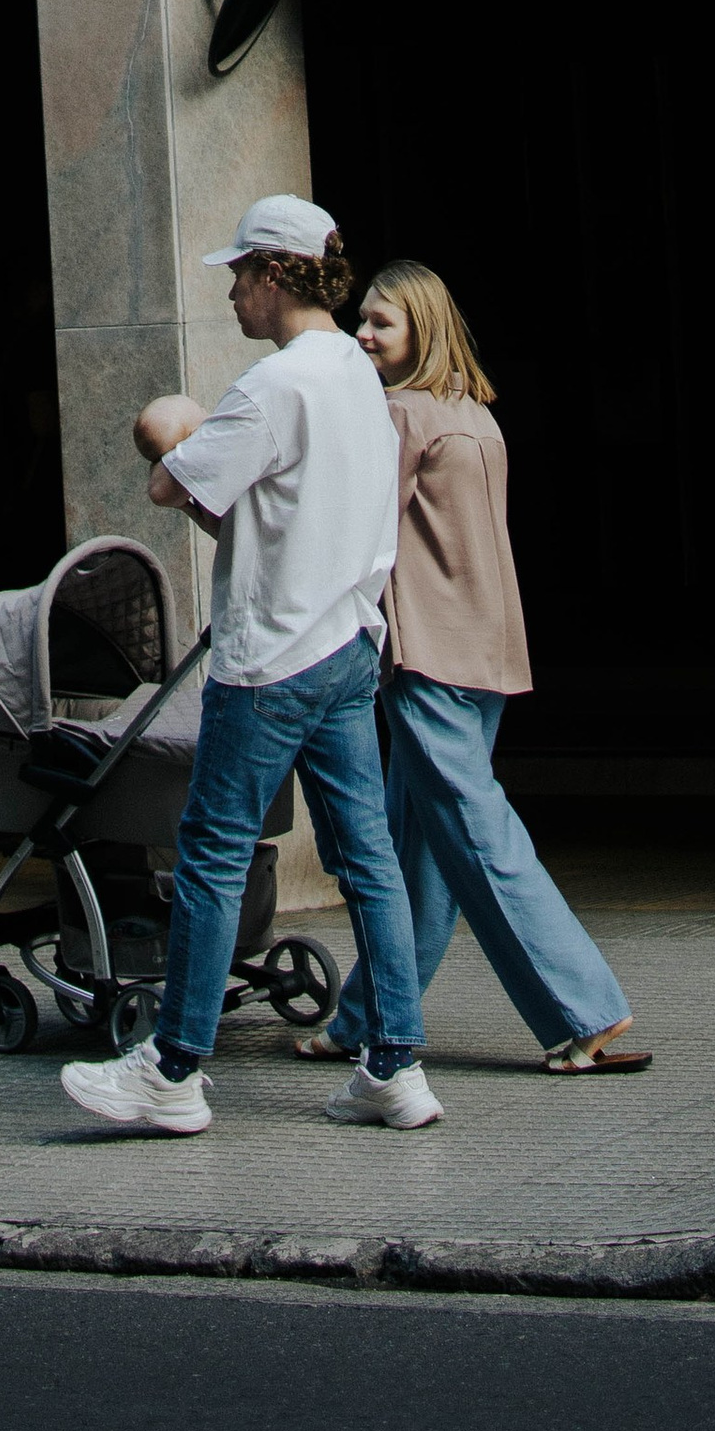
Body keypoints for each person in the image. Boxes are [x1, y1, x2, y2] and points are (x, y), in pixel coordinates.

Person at [59, 193, 440, 1138]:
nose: (231, 294)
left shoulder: (274, 388)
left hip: (272, 656)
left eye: (238, 275)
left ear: (275, 274)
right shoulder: (355, 372)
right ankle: (396, 1069)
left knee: (212, 856)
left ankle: (175, 1071)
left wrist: (173, 428)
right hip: (351, 646)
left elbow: (168, 482)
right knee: (371, 865)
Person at [300, 259, 648, 1078]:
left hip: (429, 655)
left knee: (477, 835)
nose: (364, 333)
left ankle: (585, 1008)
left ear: (422, 326)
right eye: (365, 321)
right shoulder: (475, 414)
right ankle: (365, 1019)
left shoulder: (399, 416)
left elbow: (353, 528)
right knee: (420, 849)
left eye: (382, 322)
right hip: (487, 651)